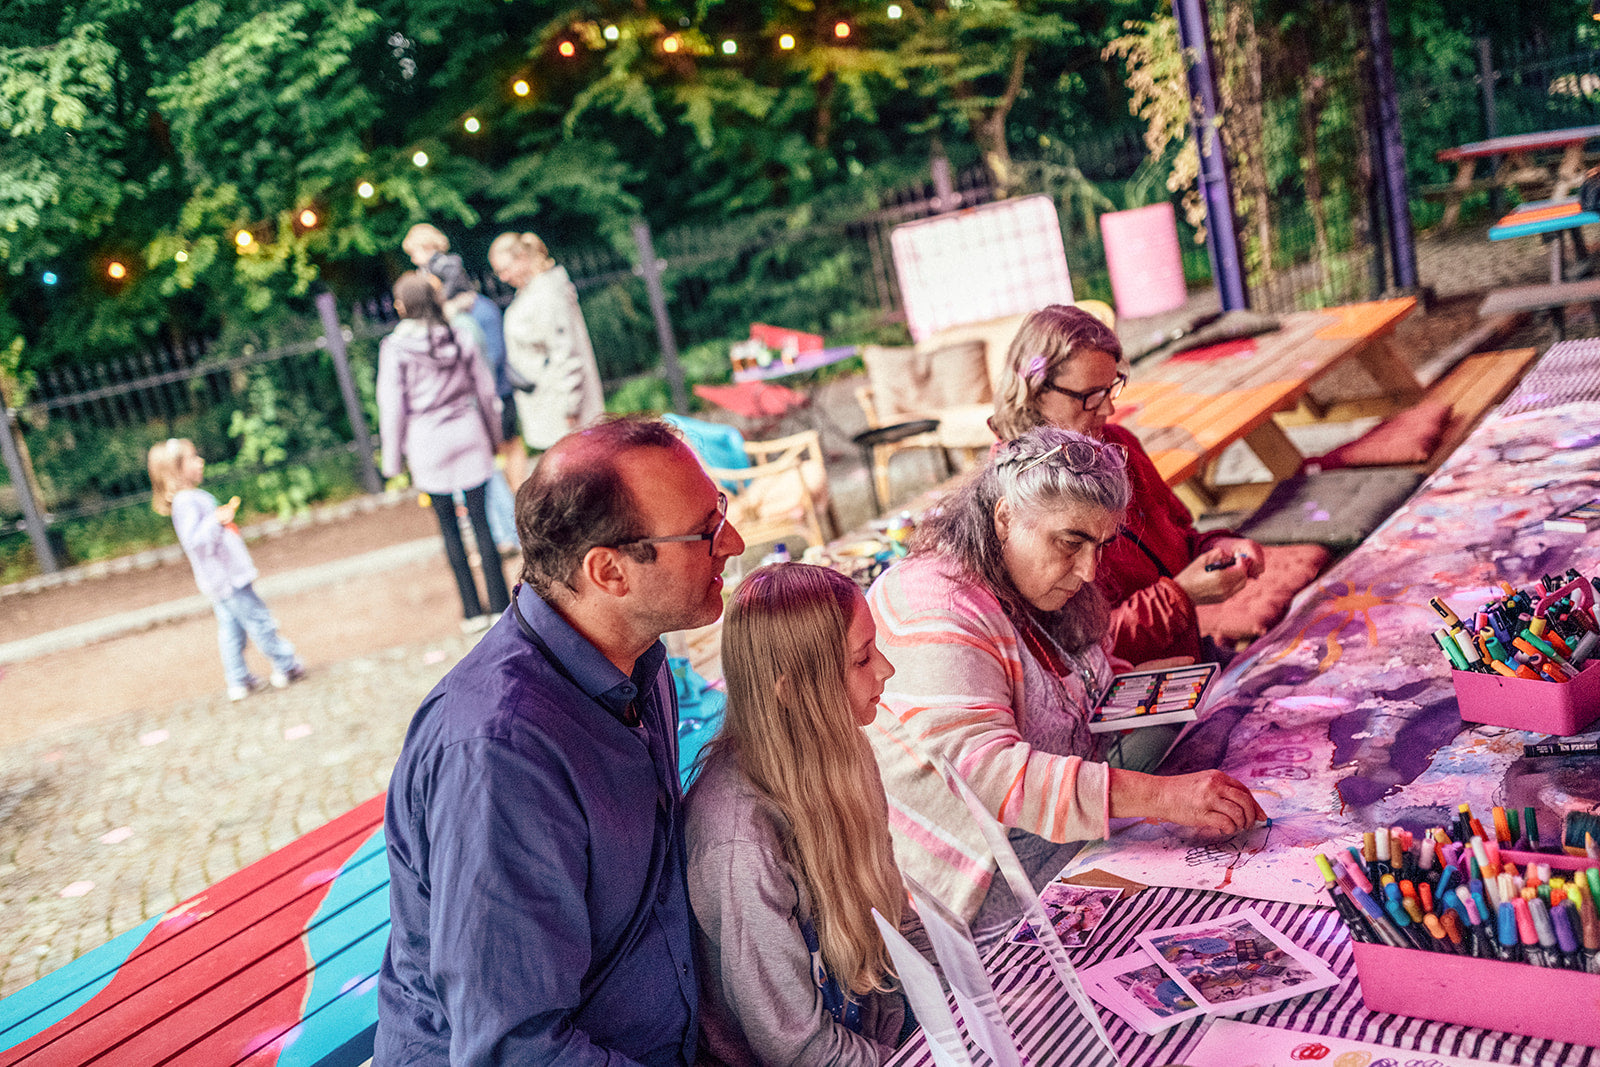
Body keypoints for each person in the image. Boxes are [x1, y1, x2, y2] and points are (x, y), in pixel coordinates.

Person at [376, 416, 746, 1066]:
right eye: (705, 530)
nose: (733, 540)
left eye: (720, 510)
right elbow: (513, 1049)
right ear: (609, 571)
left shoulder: (634, 657)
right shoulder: (501, 755)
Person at [866, 426, 1266, 948]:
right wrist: (1165, 797)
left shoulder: (1029, 578)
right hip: (974, 882)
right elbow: (988, 773)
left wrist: (1127, 682)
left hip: (1038, 834)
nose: (1088, 570)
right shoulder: (933, 602)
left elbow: (1065, 679)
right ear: (1004, 515)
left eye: (1100, 545)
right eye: (1071, 542)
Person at [687, 564, 914, 1066]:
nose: (886, 670)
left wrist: (957, 999)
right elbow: (800, 1049)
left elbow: (897, 921)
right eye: (861, 659)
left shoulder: (845, 751)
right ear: (791, 691)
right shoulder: (740, 845)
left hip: (878, 1030)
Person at [990, 305, 1268, 665]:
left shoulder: (1117, 445)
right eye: (1090, 395)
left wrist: (1218, 547)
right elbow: (1078, 651)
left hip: (1186, 656)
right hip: (1123, 688)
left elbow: (1178, 535)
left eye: (1111, 389)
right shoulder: (1020, 494)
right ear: (1036, 390)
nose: (1107, 409)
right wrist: (1179, 598)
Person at [377, 271, 510, 631]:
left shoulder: (395, 347)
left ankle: (472, 612)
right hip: (468, 432)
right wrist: (494, 436)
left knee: (449, 528)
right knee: (482, 523)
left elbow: (392, 408)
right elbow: (485, 391)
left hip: (427, 442)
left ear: (403, 306)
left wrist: (392, 462)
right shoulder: (459, 335)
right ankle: (500, 606)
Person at [146, 437, 304, 701]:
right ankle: (286, 664)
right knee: (259, 621)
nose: (200, 462)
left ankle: (238, 679)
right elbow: (195, 543)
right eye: (192, 458)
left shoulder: (191, 498)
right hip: (229, 580)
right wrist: (215, 520)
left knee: (232, 631)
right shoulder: (187, 501)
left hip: (221, 581)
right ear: (175, 470)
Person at [403, 222, 524, 543]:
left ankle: (512, 532)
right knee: (493, 471)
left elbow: (488, 364)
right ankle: (507, 532)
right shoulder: (457, 320)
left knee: (496, 469)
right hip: (476, 410)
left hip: (489, 401)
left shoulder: (468, 318)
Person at [488, 231, 604, 451]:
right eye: (498, 272)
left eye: (505, 269)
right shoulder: (530, 292)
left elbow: (565, 352)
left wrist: (570, 407)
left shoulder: (547, 294)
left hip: (561, 412)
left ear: (522, 258)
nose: (502, 277)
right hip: (548, 404)